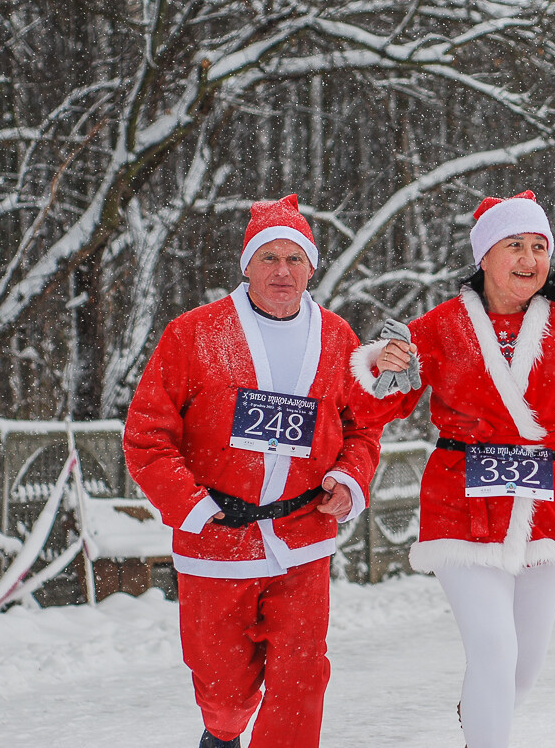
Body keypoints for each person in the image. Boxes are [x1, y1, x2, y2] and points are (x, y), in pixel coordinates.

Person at [348, 190, 555, 748]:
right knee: (494, 649)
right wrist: (382, 363)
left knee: (523, 668)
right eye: (515, 245)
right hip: (463, 503)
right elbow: (377, 404)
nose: (529, 258)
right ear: (484, 255)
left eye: (539, 245)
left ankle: (480, 711)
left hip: (544, 504)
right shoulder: (440, 327)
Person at [123, 194, 381, 748]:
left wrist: (351, 479)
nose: (282, 271)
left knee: (303, 680)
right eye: (269, 258)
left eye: (295, 259)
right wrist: (194, 507)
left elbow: (363, 426)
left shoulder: (338, 339)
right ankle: (221, 734)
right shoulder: (193, 334)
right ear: (246, 265)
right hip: (218, 538)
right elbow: (147, 436)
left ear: (312, 266)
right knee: (223, 692)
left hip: (303, 535)